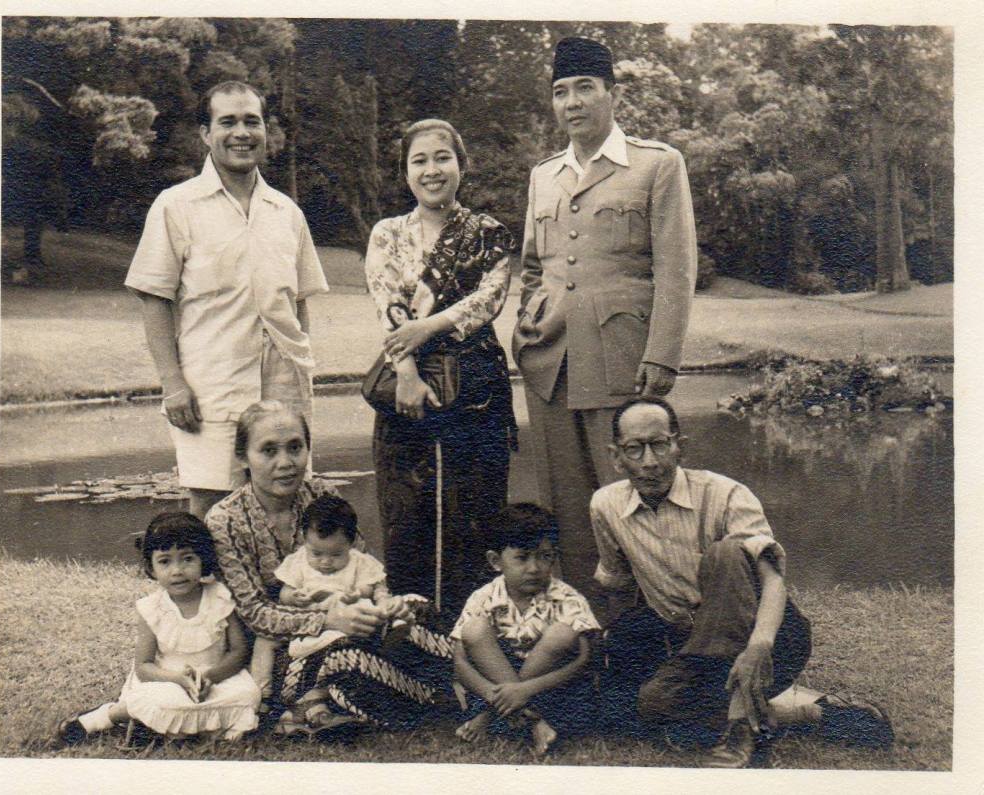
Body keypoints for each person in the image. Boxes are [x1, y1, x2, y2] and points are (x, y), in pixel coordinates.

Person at [591, 396, 894, 767]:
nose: (649, 461)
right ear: (616, 457)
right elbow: (617, 584)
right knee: (645, 709)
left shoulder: (726, 494)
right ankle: (809, 711)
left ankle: (740, 727)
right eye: (634, 449)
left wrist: (758, 647)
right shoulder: (605, 506)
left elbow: (773, 581)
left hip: (769, 636)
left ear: (680, 446)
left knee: (727, 553)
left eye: (659, 445)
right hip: (690, 643)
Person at [512, 37, 697, 597]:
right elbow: (532, 268)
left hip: (622, 359)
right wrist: (528, 331)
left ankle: (655, 621)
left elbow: (676, 268)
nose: (572, 102)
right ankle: (587, 629)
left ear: (611, 93)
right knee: (566, 506)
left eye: (585, 88)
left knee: (634, 499)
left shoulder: (656, 164)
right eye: (560, 92)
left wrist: (661, 354)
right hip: (550, 365)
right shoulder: (544, 175)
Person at [125, 80, 328, 519]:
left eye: (252, 121)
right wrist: (173, 384)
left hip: (284, 386)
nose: (242, 133)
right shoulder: (176, 206)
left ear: (266, 130)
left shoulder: (286, 212)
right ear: (205, 132)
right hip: (211, 386)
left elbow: (298, 303)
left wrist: (302, 367)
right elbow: (154, 299)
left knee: (289, 505)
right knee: (211, 507)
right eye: (228, 122)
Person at [206, 400, 455, 735]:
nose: (286, 463)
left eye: (295, 447)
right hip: (283, 653)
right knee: (346, 659)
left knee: (418, 607)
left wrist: (384, 604)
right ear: (242, 457)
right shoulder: (225, 520)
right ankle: (434, 695)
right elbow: (254, 614)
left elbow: (363, 563)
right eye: (269, 451)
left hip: (353, 620)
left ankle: (407, 690)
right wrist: (328, 620)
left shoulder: (321, 493)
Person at [364, 118, 517, 618]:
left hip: (475, 388)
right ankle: (412, 641)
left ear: (461, 165)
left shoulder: (488, 233)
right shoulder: (387, 234)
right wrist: (407, 374)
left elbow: (488, 300)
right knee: (406, 515)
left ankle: (475, 636)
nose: (432, 170)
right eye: (420, 161)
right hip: (403, 384)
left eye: (442, 158)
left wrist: (427, 326)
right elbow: (387, 301)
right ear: (406, 171)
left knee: (475, 514)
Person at [54, 513, 261, 746]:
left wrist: (211, 677)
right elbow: (144, 666)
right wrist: (179, 680)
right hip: (167, 680)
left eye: (187, 559)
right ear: (151, 568)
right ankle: (104, 717)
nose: (177, 570)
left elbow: (238, 651)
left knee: (247, 695)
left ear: (203, 558)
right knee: (156, 701)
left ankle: (171, 728)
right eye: (165, 561)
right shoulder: (152, 608)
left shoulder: (220, 597)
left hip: (217, 677)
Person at [249, 494, 416, 728]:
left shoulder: (359, 561)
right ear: (304, 539)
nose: (325, 562)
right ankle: (261, 692)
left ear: (351, 543)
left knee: (386, 609)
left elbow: (373, 586)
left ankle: (395, 630)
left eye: (336, 555)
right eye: (316, 554)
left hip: (348, 627)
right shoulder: (298, 561)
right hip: (310, 626)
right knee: (264, 640)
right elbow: (284, 593)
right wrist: (293, 597)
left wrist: (358, 594)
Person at [451, 503, 600, 756]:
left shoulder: (566, 598)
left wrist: (525, 690)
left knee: (563, 633)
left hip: (551, 687)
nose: (534, 568)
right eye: (522, 558)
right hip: (494, 683)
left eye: (545, 556)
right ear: (495, 561)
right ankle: (532, 721)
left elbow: (584, 659)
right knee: (474, 630)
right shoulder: (483, 597)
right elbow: (459, 661)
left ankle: (491, 715)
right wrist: (500, 694)